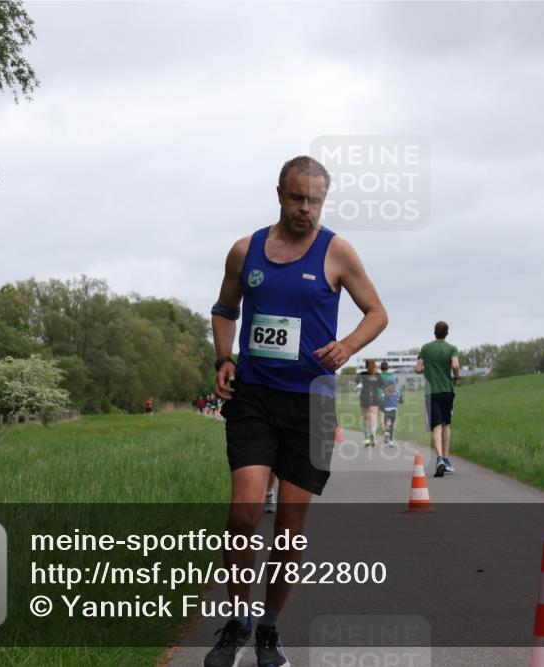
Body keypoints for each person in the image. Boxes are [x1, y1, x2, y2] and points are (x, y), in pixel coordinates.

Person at [207, 155, 387, 667]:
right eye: (296, 197)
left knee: (289, 528)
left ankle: (269, 629)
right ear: (280, 194)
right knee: (243, 513)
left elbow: (377, 313)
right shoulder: (246, 251)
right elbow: (225, 309)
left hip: (315, 405)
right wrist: (225, 357)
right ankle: (237, 620)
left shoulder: (338, 252)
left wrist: (348, 346)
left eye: (314, 200)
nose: (304, 208)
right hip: (255, 398)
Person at [415, 321, 460, 477]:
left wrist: (430, 367)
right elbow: (455, 366)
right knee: (446, 424)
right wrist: (456, 377)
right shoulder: (452, 349)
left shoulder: (426, 348)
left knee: (436, 427)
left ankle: (439, 459)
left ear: (434, 332)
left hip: (431, 392)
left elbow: (418, 369)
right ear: (447, 333)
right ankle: (447, 460)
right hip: (447, 390)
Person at [358, 359, 384, 447]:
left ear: (366, 365)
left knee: (365, 419)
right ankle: (372, 436)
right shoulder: (377, 375)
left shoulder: (362, 374)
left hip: (364, 398)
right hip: (374, 399)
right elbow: (382, 385)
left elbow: (356, 382)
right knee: (373, 418)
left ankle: (367, 439)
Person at [381, 376, 401, 444]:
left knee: (386, 423)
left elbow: (382, 400)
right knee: (392, 425)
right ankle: (391, 441)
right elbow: (399, 399)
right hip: (394, 410)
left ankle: (386, 432)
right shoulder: (397, 390)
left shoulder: (384, 391)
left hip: (386, 411)